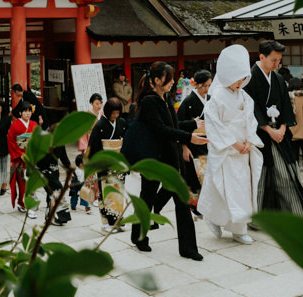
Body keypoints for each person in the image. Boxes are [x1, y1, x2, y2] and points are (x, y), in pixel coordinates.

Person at [127, 61, 209, 261]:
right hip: (154, 159)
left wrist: (191, 124)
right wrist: (189, 137)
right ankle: (139, 236)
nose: (173, 82)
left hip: (171, 157)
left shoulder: (166, 98)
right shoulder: (148, 102)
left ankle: (188, 248)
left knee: (182, 201)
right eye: (169, 79)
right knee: (147, 197)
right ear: (156, 80)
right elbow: (160, 129)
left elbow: (172, 124)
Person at [198, 45, 264, 244]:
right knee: (223, 189)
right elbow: (214, 125)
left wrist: (249, 141)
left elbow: (251, 121)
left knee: (242, 191)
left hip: (242, 152)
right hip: (226, 152)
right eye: (237, 78)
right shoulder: (216, 97)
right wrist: (233, 143)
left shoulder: (245, 97)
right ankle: (214, 219)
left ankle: (239, 228)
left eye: (243, 78)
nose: (240, 82)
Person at [244, 40, 303, 220]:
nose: (277, 64)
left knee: (289, 172)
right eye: (273, 60)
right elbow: (251, 108)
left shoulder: (277, 79)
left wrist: (283, 127)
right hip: (260, 134)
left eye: (279, 60)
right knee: (261, 177)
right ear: (261, 57)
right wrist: (269, 130)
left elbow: (285, 104)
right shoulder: (249, 79)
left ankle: (293, 215)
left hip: (280, 133)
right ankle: (259, 218)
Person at [87, 97, 128, 233]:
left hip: (118, 163)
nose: (115, 116)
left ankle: (118, 220)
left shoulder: (122, 123)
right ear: (107, 111)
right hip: (104, 163)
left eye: (117, 113)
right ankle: (106, 222)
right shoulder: (99, 126)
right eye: (113, 113)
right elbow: (93, 146)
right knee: (106, 193)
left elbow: (126, 142)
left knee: (118, 192)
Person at [175, 70, 212, 206]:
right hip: (192, 144)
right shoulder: (188, 101)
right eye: (204, 86)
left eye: (209, 85)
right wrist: (184, 147)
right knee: (195, 177)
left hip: (209, 142)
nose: (207, 89)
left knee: (208, 177)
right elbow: (178, 126)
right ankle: (195, 207)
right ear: (196, 85)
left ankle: (206, 206)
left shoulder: (210, 99)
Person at [7, 100, 38, 218]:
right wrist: (20, 154)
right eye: (25, 111)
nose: (27, 113)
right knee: (22, 184)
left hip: (31, 158)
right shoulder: (15, 125)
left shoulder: (34, 124)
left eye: (29, 111)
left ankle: (29, 206)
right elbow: (11, 141)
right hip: (20, 159)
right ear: (20, 113)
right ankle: (23, 203)